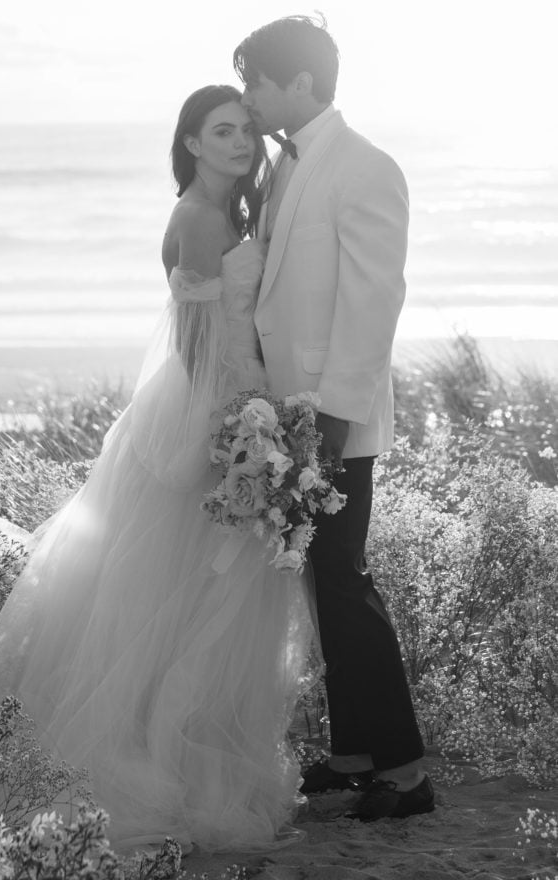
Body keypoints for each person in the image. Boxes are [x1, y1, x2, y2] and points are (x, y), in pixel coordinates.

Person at [0, 85, 320, 853]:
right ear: (189, 141)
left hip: (234, 403)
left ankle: (179, 747)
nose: (240, 142)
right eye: (222, 131)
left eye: (246, 130)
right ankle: (160, 763)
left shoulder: (230, 211)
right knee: (174, 598)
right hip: (205, 416)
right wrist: (237, 429)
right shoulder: (197, 216)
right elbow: (195, 342)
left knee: (193, 602)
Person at [233, 15, 434, 821]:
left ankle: (408, 774)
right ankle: (355, 754)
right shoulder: (286, 165)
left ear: (301, 85)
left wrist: (340, 414)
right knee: (326, 583)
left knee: (345, 583)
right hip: (291, 418)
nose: (250, 97)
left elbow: (375, 300)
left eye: (258, 81)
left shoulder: (365, 167)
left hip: (333, 419)